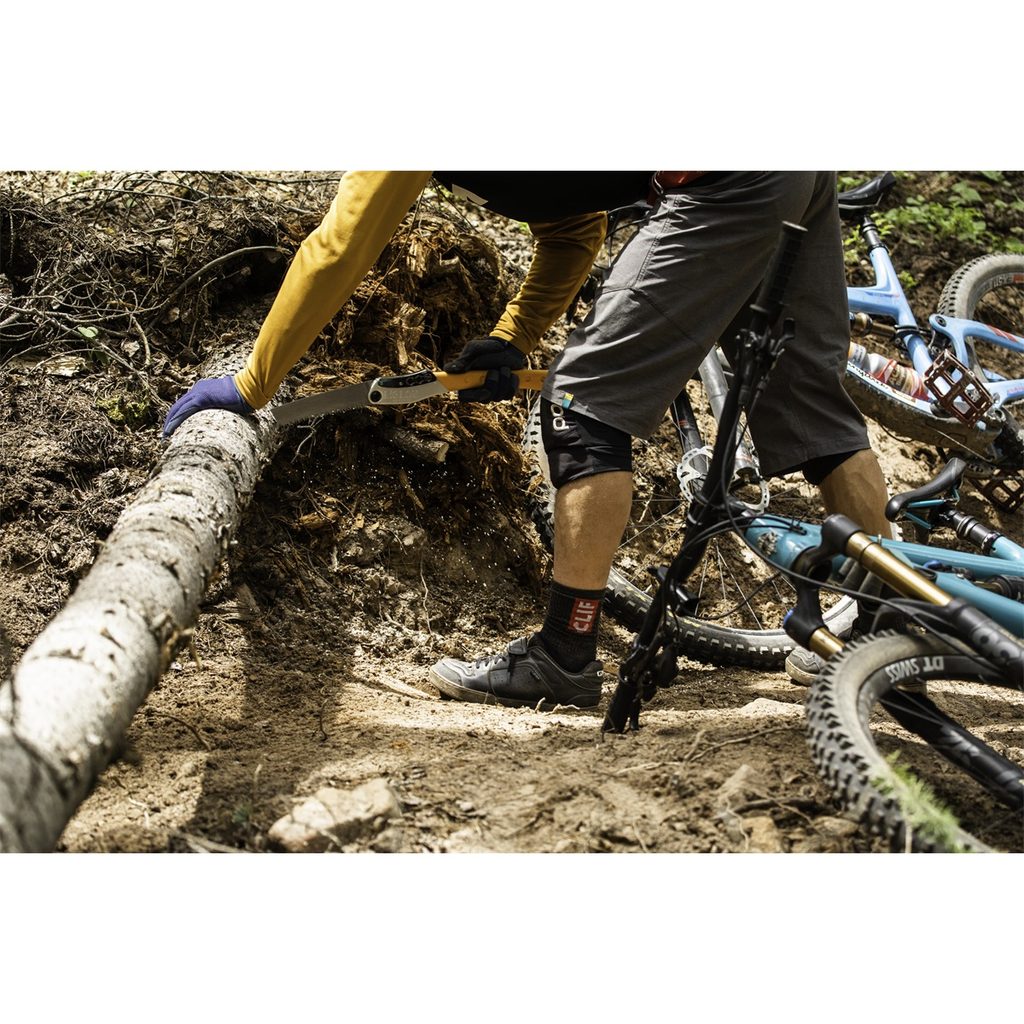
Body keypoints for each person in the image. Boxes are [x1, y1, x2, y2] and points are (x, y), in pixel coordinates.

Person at [163, 170, 892, 707]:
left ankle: (564, 655)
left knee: (582, 406)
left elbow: (340, 248)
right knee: (811, 411)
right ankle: (887, 626)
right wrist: (513, 337)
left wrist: (253, 386)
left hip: (723, 181)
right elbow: (574, 227)